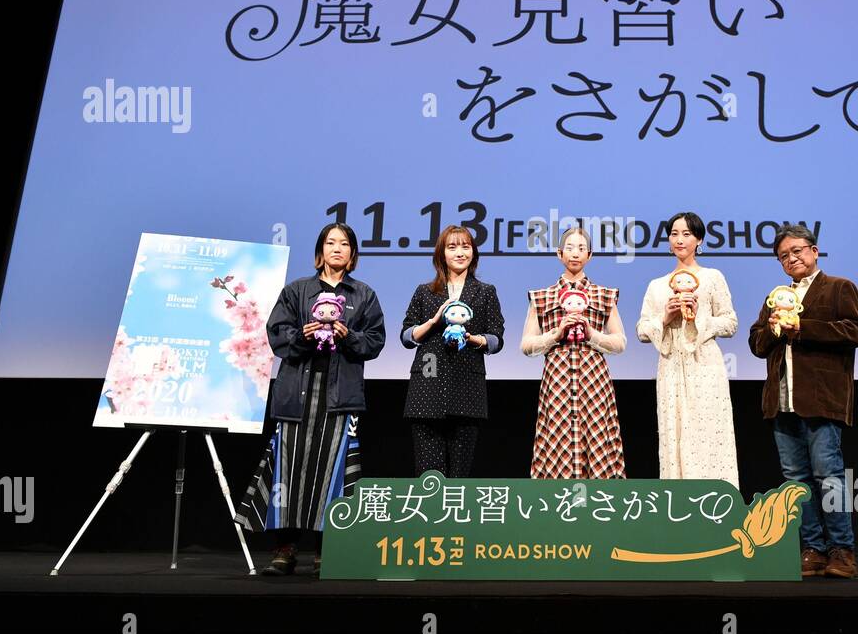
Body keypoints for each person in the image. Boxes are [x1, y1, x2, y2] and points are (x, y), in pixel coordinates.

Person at [236, 223, 385, 576]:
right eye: (331, 242)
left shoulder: (363, 295)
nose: (337, 248)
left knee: (332, 472)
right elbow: (277, 335)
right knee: (290, 470)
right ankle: (285, 550)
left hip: (340, 396)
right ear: (320, 251)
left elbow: (375, 342)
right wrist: (301, 336)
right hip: (297, 392)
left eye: (344, 243)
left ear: (352, 254)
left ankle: (326, 549)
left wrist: (349, 337)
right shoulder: (297, 291)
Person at [747, 223, 858, 578]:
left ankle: (842, 551)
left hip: (822, 399)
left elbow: (855, 332)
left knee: (828, 475)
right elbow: (756, 344)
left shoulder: (839, 288)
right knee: (795, 482)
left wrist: (802, 327)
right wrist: (773, 327)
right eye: (784, 255)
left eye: (797, 250)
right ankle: (812, 548)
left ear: (814, 251)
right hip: (781, 402)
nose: (792, 258)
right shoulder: (777, 295)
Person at [635, 211, 740, 490]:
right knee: (674, 432)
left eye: (687, 234)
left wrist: (698, 319)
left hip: (705, 365)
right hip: (670, 366)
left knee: (707, 433)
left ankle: (717, 505)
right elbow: (642, 330)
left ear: (699, 240)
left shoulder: (712, 277)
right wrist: (665, 319)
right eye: (674, 234)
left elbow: (730, 322)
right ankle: (678, 510)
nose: (680, 239)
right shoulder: (657, 286)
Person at [400, 225, 505, 477]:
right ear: (441, 254)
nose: (460, 252)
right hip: (427, 387)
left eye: (465, 247)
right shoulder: (425, 291)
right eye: (452, 247)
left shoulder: (485, 291)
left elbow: (496, 339)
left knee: (460, 475)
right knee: (428, 476)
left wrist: (472, 338)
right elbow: (406, 335)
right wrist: (433, 322)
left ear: (474, 254)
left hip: (467, 388)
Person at [521, 226, 626, 478]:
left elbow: (620, 342)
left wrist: (592, 334)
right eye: (569, 248)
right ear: (559, 254)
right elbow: (526, 345)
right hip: (557, 380)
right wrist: (555, 335)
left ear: (589, 255)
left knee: (600, 440)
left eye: (581, 249)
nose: (575, 254)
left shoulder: (603, 295)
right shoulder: (543, 296)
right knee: (557, 443)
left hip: (594, 380)